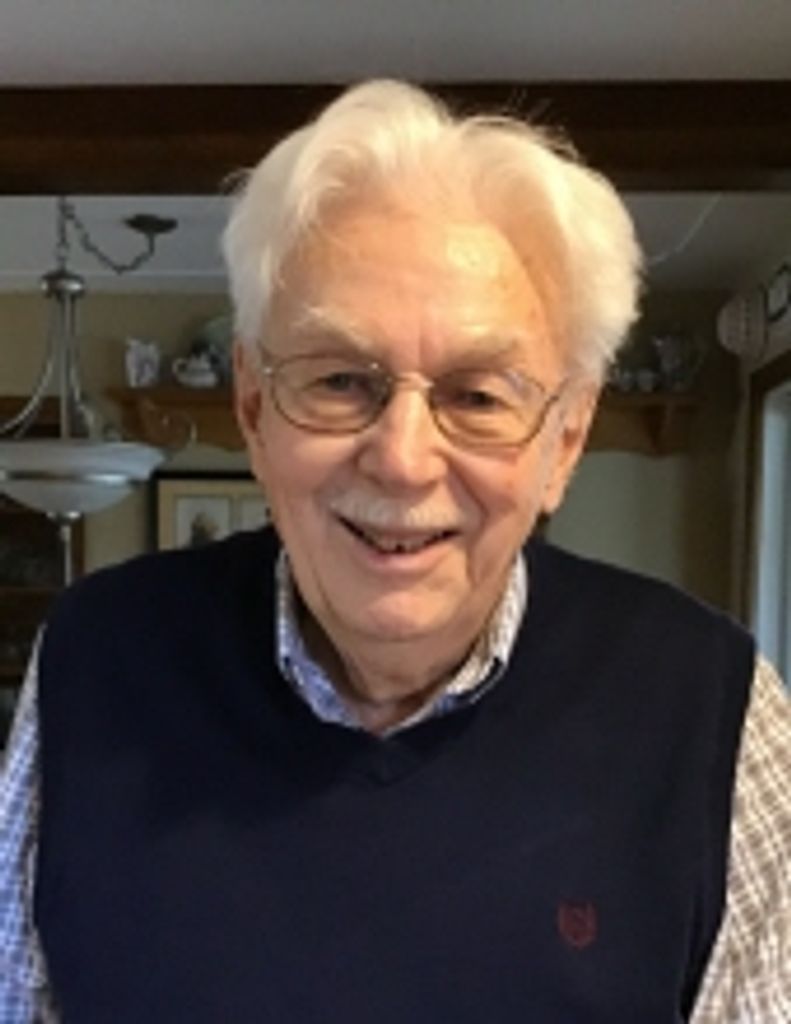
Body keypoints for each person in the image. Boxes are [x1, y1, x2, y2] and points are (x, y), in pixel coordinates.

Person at [1, 80, 789, 1023]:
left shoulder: (711, 710)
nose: (403, 459)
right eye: (340, 380)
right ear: (252, 407)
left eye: (479, 396)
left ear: (566, 440)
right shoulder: (95, 660)